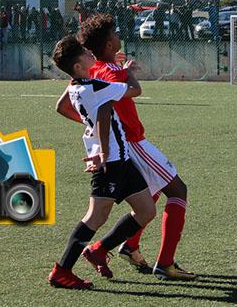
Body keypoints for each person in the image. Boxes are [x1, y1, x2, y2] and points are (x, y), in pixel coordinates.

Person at [72, 14, 196, 280]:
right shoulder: (113, 71)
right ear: (108, 44)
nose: (119, 36)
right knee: (178, 191)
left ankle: (126, 246)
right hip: (133, 142)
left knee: (150, 194)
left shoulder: (93, 71)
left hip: (122, 144)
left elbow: (68, 105)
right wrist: (126, 72)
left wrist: (91, 124)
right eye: (115, 34)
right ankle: (165, 264)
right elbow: (129, 90)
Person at [48, 35, 156, 289]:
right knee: (95, 217)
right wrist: (127, 72)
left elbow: (94, 113)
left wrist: (95, 134)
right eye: (86, 53)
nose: (91, 54)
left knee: (146, 210)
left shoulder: (77, 87)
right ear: (78, 66)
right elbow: (135, 90)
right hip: (110, 163)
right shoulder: (95, 87)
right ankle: (62, 271)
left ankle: (99, 249)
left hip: (121, 159)